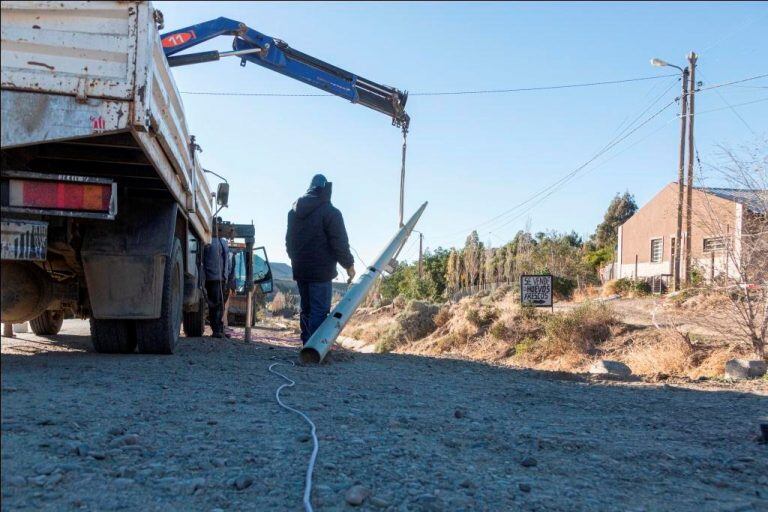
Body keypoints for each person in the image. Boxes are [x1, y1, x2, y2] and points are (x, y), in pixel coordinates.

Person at [286, 174, 355, 345]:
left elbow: (289, 242)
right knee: (319, 310)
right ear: (326, 190)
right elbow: (339, 243)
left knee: (306, 310)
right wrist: (349, 265)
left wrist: (296, 260)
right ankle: (314, 349)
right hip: (321, 272)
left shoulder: (293, 213)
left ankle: (306, 344)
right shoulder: (330, 212)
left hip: (300, 270)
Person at [203, 236, 229, 338]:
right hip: (213, 277)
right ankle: (216, 330)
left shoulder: (223, 242)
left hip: (222, 278)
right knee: (215, 305)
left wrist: (228, 276)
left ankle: (219, 328)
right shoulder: (208, 241)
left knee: (221, 305)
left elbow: (228, 260)